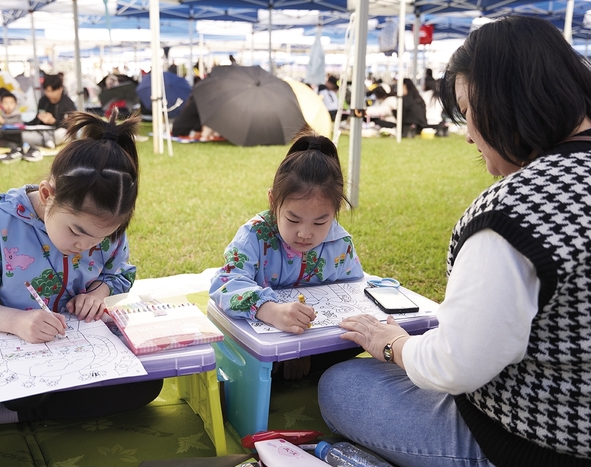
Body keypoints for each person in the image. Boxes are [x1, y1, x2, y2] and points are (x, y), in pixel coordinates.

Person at [318, 16, 591, 467]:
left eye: (468, 113)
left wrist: (391, 343)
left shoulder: (515, 213)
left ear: (508, 104)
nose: (467, 134)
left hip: (528, 444)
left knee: (342, 384)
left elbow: (455, 364)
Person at [0, 109, 163, 432]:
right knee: (24, 395)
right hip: (17, 352)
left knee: (148, 386)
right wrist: (16, 321)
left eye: (102, 238)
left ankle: (6, 416)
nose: (87, 247)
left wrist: (99, 293)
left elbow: (119, 273)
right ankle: (18, 412)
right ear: (46, 195)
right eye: (78, 232)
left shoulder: (104, 231)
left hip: (78, 349)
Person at [209, 132, 364, 379]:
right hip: (264, 342)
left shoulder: (339, 243)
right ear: (273, 201)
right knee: (245, 359)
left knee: (356, 340)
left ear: (335, 211)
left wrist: (306, 350)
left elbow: (355, 291)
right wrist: (270, 311)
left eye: (320, 222)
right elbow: (224, 285)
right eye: (293, 219)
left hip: (315, 341)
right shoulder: (254, 236)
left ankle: (301, 366)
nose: (304, 233)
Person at [25, 73, 76, 148]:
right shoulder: (43, 100)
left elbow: (71, 125)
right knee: (25, 135)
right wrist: (24, 125)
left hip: (59, 132)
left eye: (52, 91)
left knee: (62, 134)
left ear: (60, 89)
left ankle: (47, 141)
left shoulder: (68, 103)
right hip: (43, 132)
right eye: (47, 91)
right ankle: (47, 141)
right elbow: (37, 120)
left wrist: (54, 122)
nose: (49, 94)